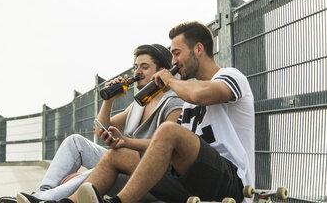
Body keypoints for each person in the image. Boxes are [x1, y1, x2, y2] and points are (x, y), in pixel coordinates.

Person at [75, 21, 255, 203]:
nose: (174, 62)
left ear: (198, 49)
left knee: (168, 129)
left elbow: (201, 95)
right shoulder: (188, 102)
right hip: (191, 179)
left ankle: (117, 202)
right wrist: (125, 142)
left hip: (231, 182)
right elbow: (166, 145)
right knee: (118, 155)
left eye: (177, 53)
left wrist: (170, 81)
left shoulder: (231, 76)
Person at [0, 44, 184, 203]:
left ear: (162, 71)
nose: (137, 72)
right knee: (75, 142)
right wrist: (109, 100)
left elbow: (167, 146)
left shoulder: (173, 102)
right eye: (136, 66)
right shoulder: (139, 103)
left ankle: (44, 200)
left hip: (148, 176)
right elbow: (100, 129)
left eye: (144, 67)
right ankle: (43, 194)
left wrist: (125, 143)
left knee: (105, 163)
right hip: (125, 162)